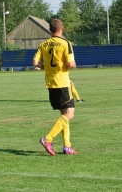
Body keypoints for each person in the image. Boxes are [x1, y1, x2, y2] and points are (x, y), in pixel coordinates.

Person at [32, 18, 77, 156]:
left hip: (51, 84)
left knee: (64, 115)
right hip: (62, 83)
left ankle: (67, 146)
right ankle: (48, 138)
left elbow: (34, 62)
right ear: (62, 28)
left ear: (50, 30)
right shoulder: (65, 43)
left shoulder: (43, 44)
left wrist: (45, 66)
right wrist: (71, 64)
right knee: (69, 114)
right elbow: (71, 64)